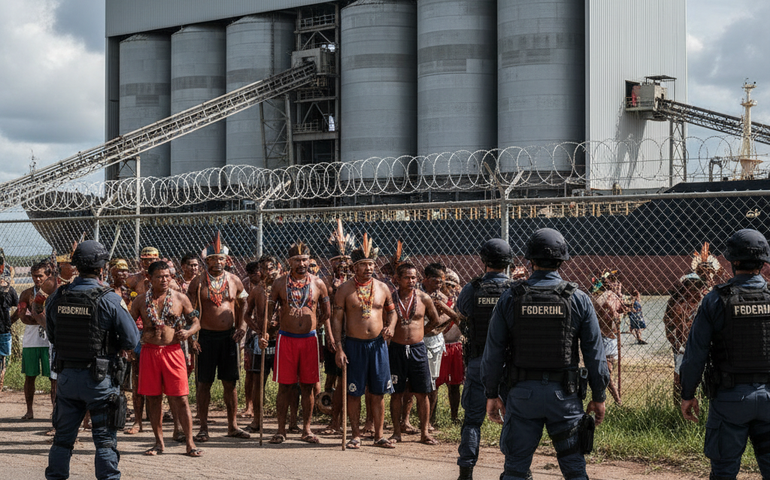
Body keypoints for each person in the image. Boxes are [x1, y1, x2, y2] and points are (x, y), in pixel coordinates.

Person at [482, 229, 609, 480]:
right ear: (562, 261)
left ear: (530, 261)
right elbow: (595, 352)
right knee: (574, 468)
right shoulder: (579, 298)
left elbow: (493, 351)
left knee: (516, 468)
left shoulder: (510, 297)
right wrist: (599, 394)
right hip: (565, 397)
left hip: (522, 396)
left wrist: (491, 393)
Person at [44, 240, 140, 480]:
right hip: (100, 381)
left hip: (66, 379)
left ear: (76, 266)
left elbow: (53, 335)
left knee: (62, 441)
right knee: (105, 443)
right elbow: (131, 340)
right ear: (102, 268)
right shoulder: (109, 299)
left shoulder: (58, 296)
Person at [680, 229, 770, 479]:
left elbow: (695, 353)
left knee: (723, 471)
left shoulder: (714, 300)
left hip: (729, 399)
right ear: (764, 262)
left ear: (732, 261)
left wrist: (687, 394)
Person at [454, 239, 514, 479]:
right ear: (509, 262)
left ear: (483, 260)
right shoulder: (515, 289)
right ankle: (515, 470)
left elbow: (463, 315)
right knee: (514, 421)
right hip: (510, 365)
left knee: (471, 422)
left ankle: (466, 472)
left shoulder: (472, 288)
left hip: (479, 362)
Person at [130, 261, 202, 457]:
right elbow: (128, 325)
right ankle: (158, 443)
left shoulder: (181, 298)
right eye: (159, 276)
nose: (164, 279)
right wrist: (131, 345)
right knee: (153, 399)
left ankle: (190, 443)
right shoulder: (140, 301)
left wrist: (188, 333)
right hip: (149, 352)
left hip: (173, 352)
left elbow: (196, 322)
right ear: (150, 279)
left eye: (167, 276)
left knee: (181, 399)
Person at [333, 233, 397, 449]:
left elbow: (392, 313)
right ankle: (356, 435)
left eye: (371, 264)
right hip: (354, 346)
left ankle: (379, 435)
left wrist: (391, 327)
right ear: (354, 267)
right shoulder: (344, 290)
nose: (369, 268)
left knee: (379, 392)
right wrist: (339, 348)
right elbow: (336, 320)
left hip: (378, 346)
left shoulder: (383, 287)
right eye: (364, 265)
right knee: (353, 392)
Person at [263, 242, 330, 444]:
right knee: (285, 386)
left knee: (308, 387)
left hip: (309, 339)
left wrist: (323, 330)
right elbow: (269, 313)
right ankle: (281, 430)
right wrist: (265, 332)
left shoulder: (318, 283)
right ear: (289, 262)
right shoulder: (279, 284)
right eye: (297, 260)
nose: (302, 263)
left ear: (310, 260)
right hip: (286, 339)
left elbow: (327, 313)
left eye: (305, 259)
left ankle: (307, 430)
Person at [188, 233, 250, 442]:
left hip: (228, 338)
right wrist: (192, 338)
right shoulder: (197, 283)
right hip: (205, 337)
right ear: (207, 261)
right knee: (203, 383)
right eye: (213, 259)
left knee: (230, 383)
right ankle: (203, 427)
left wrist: (241, 326)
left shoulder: (235, 281)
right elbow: (190, 312)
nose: (217, 263)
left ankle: (232, 426)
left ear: (227, 260)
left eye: (221, 259)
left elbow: (244, 305)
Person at [389, 262, 442, 446]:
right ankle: (396, 432)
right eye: (407, 277)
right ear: (397, 279)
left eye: (414, 277)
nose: (411, 281)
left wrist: (421, 332)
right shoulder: (391, 298)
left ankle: (425, 433)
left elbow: (435, 320)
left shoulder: (424, 298)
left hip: (418, 349)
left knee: (422, 392)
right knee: (396, 393)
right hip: (395, 349)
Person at [320, 221, 354, 435]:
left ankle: (357, 421)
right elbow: (325, 313)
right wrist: (331, 336)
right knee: (334, 377)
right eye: (338, 262)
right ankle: (332, 416)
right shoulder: (325, 282)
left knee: (353, 379)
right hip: (335, 334)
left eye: (345, 262)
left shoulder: (355, 282)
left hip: (354, 335)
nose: (342, 265)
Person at [243, 255, 282, 433]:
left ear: (277, 268)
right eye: (264, 269)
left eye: (271, 268)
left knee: (287, 383)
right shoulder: (257, 291)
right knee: (259, 381)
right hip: (263, 341)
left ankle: (289, 423)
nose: (268, 272)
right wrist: (258, 330)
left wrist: (281, 325)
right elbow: (247, 315)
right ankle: (257, 420)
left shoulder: (284, 288)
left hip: (281, 339)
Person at [13, 262, 55, 421]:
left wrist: (38, 317)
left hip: (49, 341)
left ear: (48, 275)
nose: (37, 279)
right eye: (34, 276)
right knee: (30, 376)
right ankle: (29, 410)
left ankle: (54, 411)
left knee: (53, 377)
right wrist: (44, 320)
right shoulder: (26, 294)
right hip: (31, 340)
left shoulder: (54, 293)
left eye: (40, 276)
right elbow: (23, 317)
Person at [663, 272, 707, 403]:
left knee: (702, 377)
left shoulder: (704, 301)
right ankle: (678, 405)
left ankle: (701, 403)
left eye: (696, 286)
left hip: (701, 346)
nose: (692, 289)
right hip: (681, 346)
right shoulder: (675, 302)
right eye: (689, 285)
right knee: (679, 378)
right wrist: (676, 343)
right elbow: (668, 323)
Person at [591, 269, 626, 405]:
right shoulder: (608, 296)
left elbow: (619, 310)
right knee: (607, 371)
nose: (617, 284)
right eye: (614, 281)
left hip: (604, 335)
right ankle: (615, 400)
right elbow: (615, 311)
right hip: (607, 335)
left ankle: (606, 399)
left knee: (605, 370)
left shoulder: (597, 295)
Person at [436, 269, 463, 424]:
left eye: (453, 285)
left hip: (455, 346)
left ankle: (454, 416)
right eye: (447, 285)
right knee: (435, 384)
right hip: (440, 344)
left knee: (455, 385)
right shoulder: (438, 301)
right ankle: (430, 417)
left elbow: (460, 320)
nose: (451, 288)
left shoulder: (459, 302)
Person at [0, 253, 19, 395]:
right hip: (3, 330)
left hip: (3, 330)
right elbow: (18, 307)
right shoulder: (9, 290)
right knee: (2, 362)